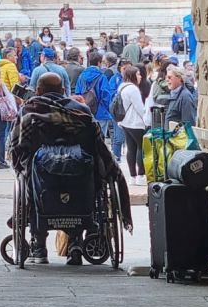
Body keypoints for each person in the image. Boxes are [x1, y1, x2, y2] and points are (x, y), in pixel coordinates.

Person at [8, 73, 124, 265]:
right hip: (79, 173)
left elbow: (18, 147)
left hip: (43, 175)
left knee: (31, 179)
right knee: (87, 179)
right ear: (63, 91)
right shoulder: (82, 111)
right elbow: (98, 146)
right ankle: (75, 244)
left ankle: (38, 245)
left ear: (38, 91)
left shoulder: (30, 111)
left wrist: (20, 163)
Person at [115, 63, 151, 182]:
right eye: (138, 74)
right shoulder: (133, 89)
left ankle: (132, 176)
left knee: (131, 148)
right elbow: (140, 108)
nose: (140, 76)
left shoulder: (122, 86)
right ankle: (141, 175)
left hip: (124, 122)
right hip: (135, 122)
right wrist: (146, 121)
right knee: (141, 147)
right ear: (133, 76)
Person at [163, 64, 198, 128]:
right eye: (166, 77)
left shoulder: (185, 97)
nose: (167, 80)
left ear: (179, 78)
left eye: (169, 77)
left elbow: (188, 124)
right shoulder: (174, 94)